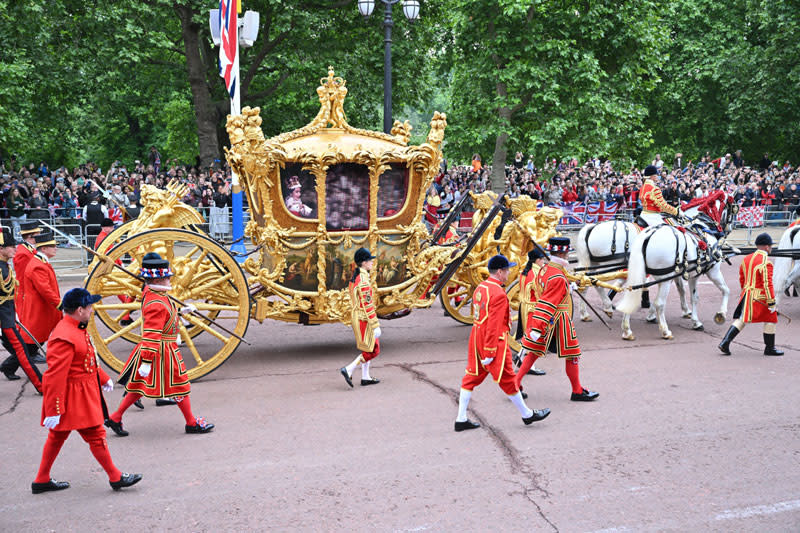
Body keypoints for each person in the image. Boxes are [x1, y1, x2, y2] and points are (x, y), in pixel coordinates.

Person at [32, 288, 142, 494]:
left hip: (81, 392)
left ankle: (41, 479)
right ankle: (115, 477)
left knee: (57, 436)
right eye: (89, 306)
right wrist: (53, 409)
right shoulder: (64, 335)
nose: (92, 310)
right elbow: (54, 377)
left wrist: (103, 377)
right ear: (80, 310)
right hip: (74, 397)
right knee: (95, 435)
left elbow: (86, 358)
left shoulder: (75, 327)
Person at [105, 252, 215, 436]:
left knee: (140, 385)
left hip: (161, 348)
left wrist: (181, 311)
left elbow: (166, 315)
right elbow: (151, 334)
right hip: (161, 350)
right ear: (159, 279)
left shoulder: (156, 295)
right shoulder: (155, 301)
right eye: (166, 277)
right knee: (179, 385)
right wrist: (147, 362)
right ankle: (191, 423)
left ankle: (115, 417)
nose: (168, 280)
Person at [453, 254, 550, 432]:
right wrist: (490, 353)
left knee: (471, 378)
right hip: (493, 341)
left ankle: (461, 418)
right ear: (499, 271)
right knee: (507, 379)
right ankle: (527, 415)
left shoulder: (481, 287)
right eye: (506, 270)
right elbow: (494, 325)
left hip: (476, 337)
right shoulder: (498, 293)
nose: (508, 273)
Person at [521, 237, 599, 401]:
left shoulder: (546, 268)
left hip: (551, 319)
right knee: (573, 355)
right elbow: (547, 303)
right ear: (564, 254)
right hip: (558, 319)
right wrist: (537, 326)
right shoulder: (557, 276)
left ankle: (514, 384)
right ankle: (577, 391)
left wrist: (568, 286)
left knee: (534, 353)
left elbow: (547, 288)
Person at [718, 233, 783, 356]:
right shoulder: (766, 261)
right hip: (761, 297)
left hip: (747, 295)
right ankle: (770, 348)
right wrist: (771, 301)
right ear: (767, 247)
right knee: (771, 318)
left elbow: (742, 279)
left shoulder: (746, 259)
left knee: (742, 319)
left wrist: (745, 292)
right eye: (770, 246)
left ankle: (725, 342)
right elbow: (767, 283)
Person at [0, 227, 43, 390]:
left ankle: (8, 368)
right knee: (22, 352)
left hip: (8, 315)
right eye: (11, 247)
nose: (15, 249)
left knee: (22, 350)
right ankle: (41, 385)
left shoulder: (5, 266)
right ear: (1, 248)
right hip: (5, 318)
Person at [340, 248, 381, 387]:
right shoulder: (363, 279)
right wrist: (375, 324)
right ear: (364, 263)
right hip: (364, 318)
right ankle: (349, 369)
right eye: (370, 260)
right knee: (374, 349)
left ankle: (365, 377)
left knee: (367, 347)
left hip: (358, 316)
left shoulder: (357, 276)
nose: (372, 263)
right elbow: (367, 304)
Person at [19, 231, 62, 364]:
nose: (56, 248)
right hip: (40, 307)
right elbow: (45, 289)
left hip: (43, 306)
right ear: (44, 248)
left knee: (37, 338)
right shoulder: (38, 265)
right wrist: (59, 303)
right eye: (52, 246)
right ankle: (9, 365)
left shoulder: (40, 262)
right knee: (33, 339)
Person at [513, 248, 549, 384]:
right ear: (537, 260)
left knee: (528, 334)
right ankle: (529, 365)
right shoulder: (536, 273)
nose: (543, 262)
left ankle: (520, 356)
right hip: (533, 308)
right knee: (533, 337)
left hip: (524, 305)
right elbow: (542, 292)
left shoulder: (525, 271)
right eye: (542, 260)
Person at [13, 221, 40, 315]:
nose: (40, 235)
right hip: (25, 293)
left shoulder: (29, 249)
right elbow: (22, 276)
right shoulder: (23, 253)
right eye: (38, 234)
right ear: (30, 236)